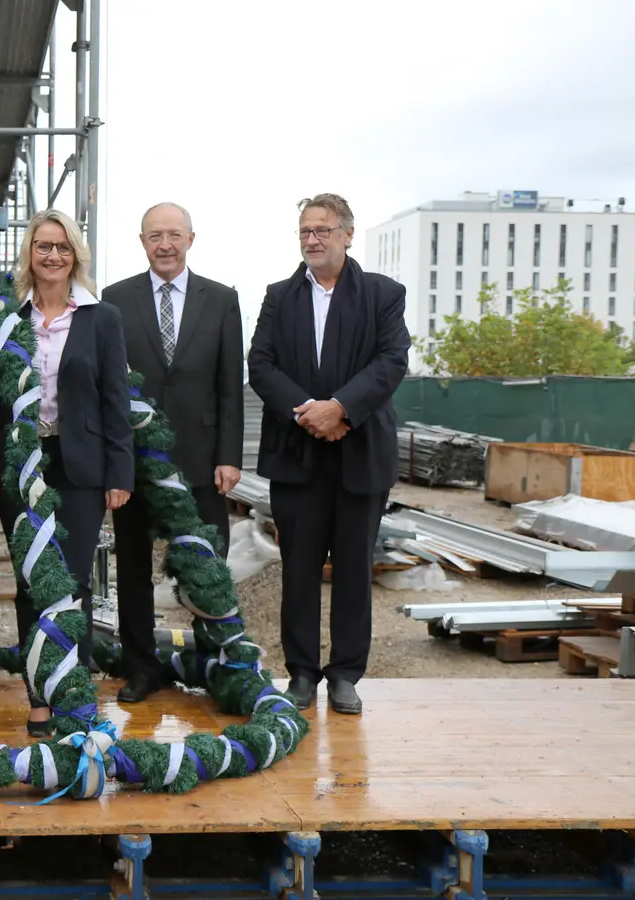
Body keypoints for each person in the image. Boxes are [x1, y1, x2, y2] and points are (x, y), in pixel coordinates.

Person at [0, 208, 134, 737]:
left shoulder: (102, 318)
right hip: (21, 462)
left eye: (62, 247)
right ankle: (39, 698)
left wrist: (120, 472)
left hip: (80, 464)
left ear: (75, 255)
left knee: (74, 583)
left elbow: (116, 400)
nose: (53, 255)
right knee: (30, 581)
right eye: (43, 246)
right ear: (30, 253)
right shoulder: (7, 318)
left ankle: (74, 696)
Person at [247, 193, 409, 715]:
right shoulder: (279, 296)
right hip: (297, 455)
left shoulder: (384, 294)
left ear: (348, 235)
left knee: (354, 571)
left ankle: (344, 676)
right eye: (305, 231)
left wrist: (340, 409)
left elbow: (391, 361)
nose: (312, 240)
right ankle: (301, 673)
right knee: (298, 570)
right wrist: (309, 414)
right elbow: (261, 364)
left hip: (360, 454)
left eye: (322, 230)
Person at [101, 202, 244, 703]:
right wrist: (114, 463)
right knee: (133, 570)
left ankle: (215, 665)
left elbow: (230, 385)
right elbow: (108, 387)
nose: (165, 245)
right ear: (142, 242)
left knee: (208, 567)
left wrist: (230, 456)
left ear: (191, 239)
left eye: (174, 235)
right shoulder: (114, 300)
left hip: (202, 460)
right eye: (155, 236)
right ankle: (141, 669)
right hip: (136, 461)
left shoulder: (222, 300)